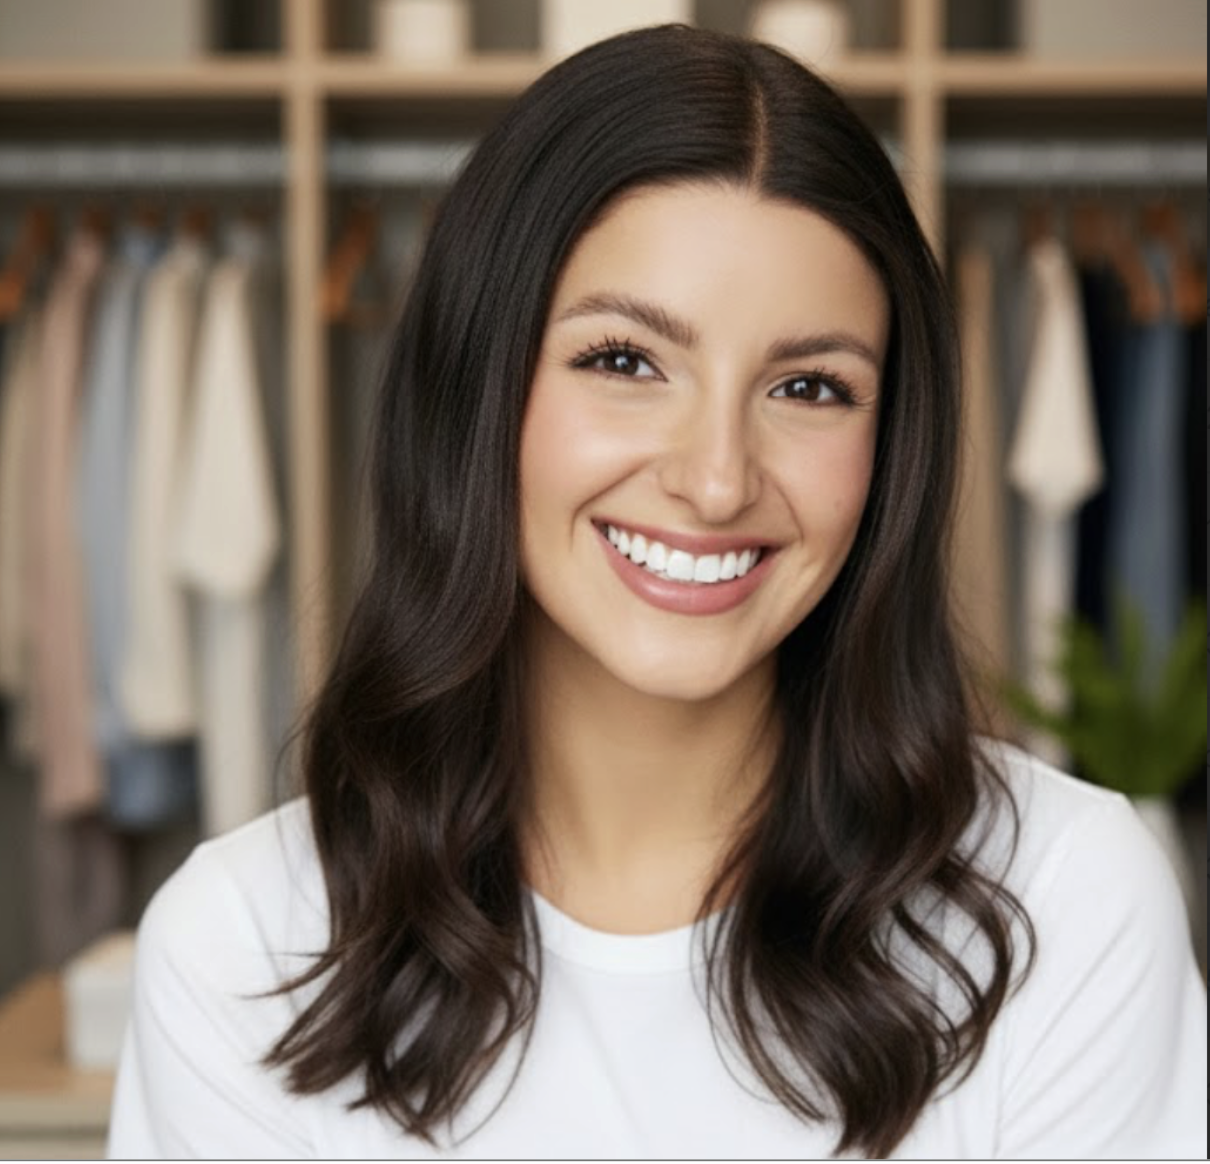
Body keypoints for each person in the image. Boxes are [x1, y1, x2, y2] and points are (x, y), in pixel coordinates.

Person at [107, 25, 1206, 1160]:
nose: (717, 478)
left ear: (892, 450)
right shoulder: (244, 951)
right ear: (477, 388)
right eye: (625, 362)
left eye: (810, 386)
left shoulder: (1061, 905)